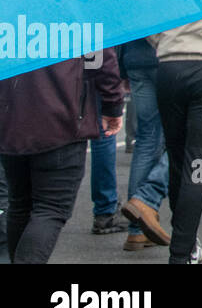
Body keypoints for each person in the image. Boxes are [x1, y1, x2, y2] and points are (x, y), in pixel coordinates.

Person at [0, 49, 127, 263]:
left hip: (12, 119)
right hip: (62, 117)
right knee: (51, 208)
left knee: (20, 204)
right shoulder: (76, 14)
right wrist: (112, 103)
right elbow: (99, 57)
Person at [153, 14, 202, 264]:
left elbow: (151, 18)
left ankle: (184, 242)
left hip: (170, 65)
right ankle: (182, 250)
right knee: (197, 165)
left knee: (177, 160)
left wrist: (164, 40)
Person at [117, 37, 171, 251]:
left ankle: (136, 231)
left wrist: (122, 66)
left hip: (136, 59)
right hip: (167, 57)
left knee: (146, 139)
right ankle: (146, 198)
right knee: (184, 139)